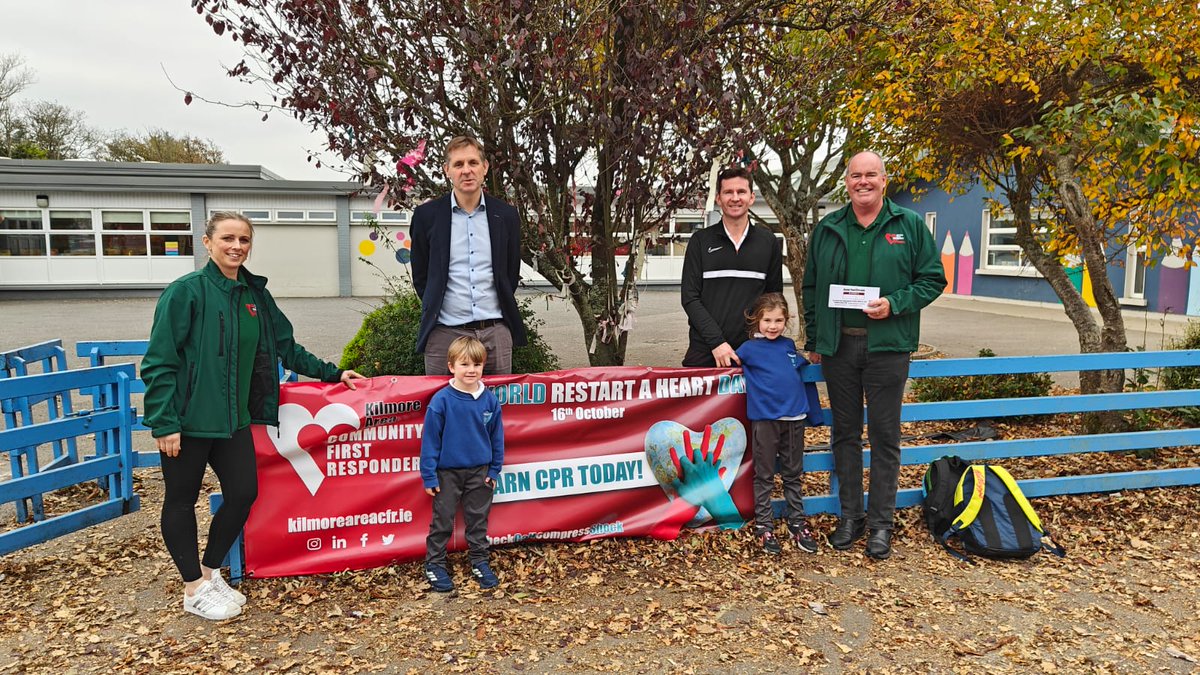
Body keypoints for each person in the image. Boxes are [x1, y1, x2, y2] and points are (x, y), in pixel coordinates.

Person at [142, 211, 364, 620]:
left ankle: (209, 572)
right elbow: (159, 361)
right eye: (228, 238)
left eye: (244, 239)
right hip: (188, 422)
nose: (237, 246)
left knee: (244, 493)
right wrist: (164, 421)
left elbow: (287, 348)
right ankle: (192, 587)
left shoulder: (254, 296)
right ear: (207, 242)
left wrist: (334, 373)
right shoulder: (185, 292)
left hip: (234, 421)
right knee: (180, 501)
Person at [801, 151, 946, 560]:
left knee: (885, 438)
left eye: (871, 175)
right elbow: (811, 288)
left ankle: (881, 523)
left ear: (884, 180)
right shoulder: (828, 227)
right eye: (855, 176)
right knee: (844, 435)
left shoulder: (909, 225)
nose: (862, 181)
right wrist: (815, 336)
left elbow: (933, 279)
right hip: (839, 347)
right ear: (846, 182)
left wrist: (895, 303)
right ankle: (851, 517)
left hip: (888, 346)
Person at [410, 135, 527, 376]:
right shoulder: (426, 216)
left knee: (495, 409)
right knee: (442, 408)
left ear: (485, 168)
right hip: (444, 334)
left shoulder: (506, 216)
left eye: (473, 163)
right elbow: (421, 276)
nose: (466, 171)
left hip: (495, 332)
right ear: (447, 170)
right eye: (458, 164)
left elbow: (510, 273)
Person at [735, 293, 821, 555]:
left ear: (787, 320)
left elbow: (797, 369)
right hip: (765, 420)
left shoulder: (787, 345)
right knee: (764, 474)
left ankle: (797, 522)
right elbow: (729, 366)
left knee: (793, 473)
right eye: (767, 320)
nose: (773, 326)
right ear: (756, 320)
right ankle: (764, 525)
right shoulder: (747, 349)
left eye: (779, 320)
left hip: (794, 418)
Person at [420, 336, 505, 592]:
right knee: (442, 520)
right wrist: (429, 475)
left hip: (480, 473)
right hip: (447, 473)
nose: (471, 370)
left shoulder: (489, 400)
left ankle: (479, 561)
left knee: (478, 520)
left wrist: (494, 469)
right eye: (465, 364)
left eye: (476, 365)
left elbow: (497, 437)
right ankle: (434, 564)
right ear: (451, 366)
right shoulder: (442, 401)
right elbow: (430, 440)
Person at [681, 166, 783, 367]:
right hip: (706, 350)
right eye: (728, 192)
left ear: (751, 197)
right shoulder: (700, 241)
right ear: (719, 198)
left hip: (753, 350)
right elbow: (690, 298)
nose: (735, 198)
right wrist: (717, 342)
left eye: (741, 192)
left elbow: (773, 298)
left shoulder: (768, 241)